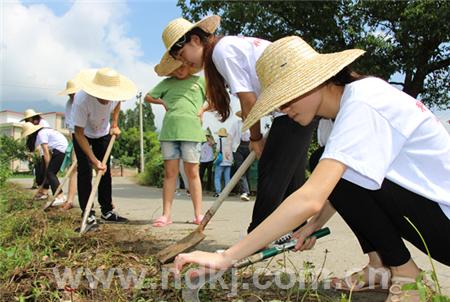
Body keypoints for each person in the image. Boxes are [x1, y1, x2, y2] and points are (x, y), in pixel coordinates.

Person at [174, 36, 450, 302]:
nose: (283, 109)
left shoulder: (363, 104)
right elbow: (350, 185)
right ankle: (386, 268)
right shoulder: (342, 112)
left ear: (315, 81)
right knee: (323, 161)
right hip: (436, 220)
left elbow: (311, 197)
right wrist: (313, 225)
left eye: (286, 97)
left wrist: (226, 257)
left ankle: (406, 275)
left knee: (324, 165)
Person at [162, 16, 316, 236]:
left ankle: (256, 238)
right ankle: (298, 231)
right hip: (294, 102)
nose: (185, 64)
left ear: (195, 40)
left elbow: (248, 100)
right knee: (291, 176)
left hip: (298, 99)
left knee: (272, 173)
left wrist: (255, 138)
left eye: (182, 56)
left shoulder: (222, 51)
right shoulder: (226, 47)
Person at [145, 55, 206, 227]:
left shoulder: (199, 81)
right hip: (169, 132)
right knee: (170, 173)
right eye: (175, 67)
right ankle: (166, 215)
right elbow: (148, 97)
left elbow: (214, 100)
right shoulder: (167, 83)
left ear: (189, 64)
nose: (179, 70)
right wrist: (162, 101)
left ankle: (198, 214)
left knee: (193, 173)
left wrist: (202, 109)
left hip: (192, 132)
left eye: (182, 66)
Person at [72, 67, 136, 229]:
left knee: (105, 171)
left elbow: (117, 105)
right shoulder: (81, 101)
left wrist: (114, 124)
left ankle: (107, 210)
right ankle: (88, 213)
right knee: (85, 171)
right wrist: (94, 160)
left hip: (103, 132)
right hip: (83, 134)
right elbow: (79, 134)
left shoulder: (115, 96)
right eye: (104, 95)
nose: (108, 99)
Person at [21, 122, 68, 206]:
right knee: (50, 173)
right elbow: (48, 151)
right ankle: (47, 193)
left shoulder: (40, 134)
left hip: (60, 149)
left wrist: (47, 166)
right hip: (60, 148)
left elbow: (46, 152)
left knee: (50, 173)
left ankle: (60, 196)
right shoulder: (43, 132)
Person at [57, 79, 80, 210]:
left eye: (73, 93)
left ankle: (107, 202)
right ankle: (70, 200)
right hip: (77, 137)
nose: (71, 96)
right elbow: (71, 127)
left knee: (100, 168)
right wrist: (75, 144)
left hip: (94, 136)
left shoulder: (86, 100)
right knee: (74, 169)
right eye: (69, 94)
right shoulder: (69, 104)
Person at [21, 109, 51, 198]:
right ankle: (41, 191)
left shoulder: (43, 124)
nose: (28, 121)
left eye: (28, 119)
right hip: (38, 152)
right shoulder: (32, 126)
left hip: (46, 150)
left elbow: (45, 140)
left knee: (46, 172)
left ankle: (45, 192)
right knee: (39, 173)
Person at [229, 111, 251, 201]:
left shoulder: (253, 122)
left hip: (249, 147)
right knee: (240, 169)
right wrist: (228, 149)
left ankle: (247, 191)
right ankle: (245, 192)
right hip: (238, 147)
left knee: (247, 170)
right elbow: (230, 136)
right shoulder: (236, 124)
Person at [213, 128, 233, 198]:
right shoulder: (230, 140)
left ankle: (218, 192)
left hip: (221, 161)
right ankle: (226, 192)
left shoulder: (219, 140)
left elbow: (218, 149)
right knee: (227, 177)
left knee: (217, 177)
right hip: (229, 161)